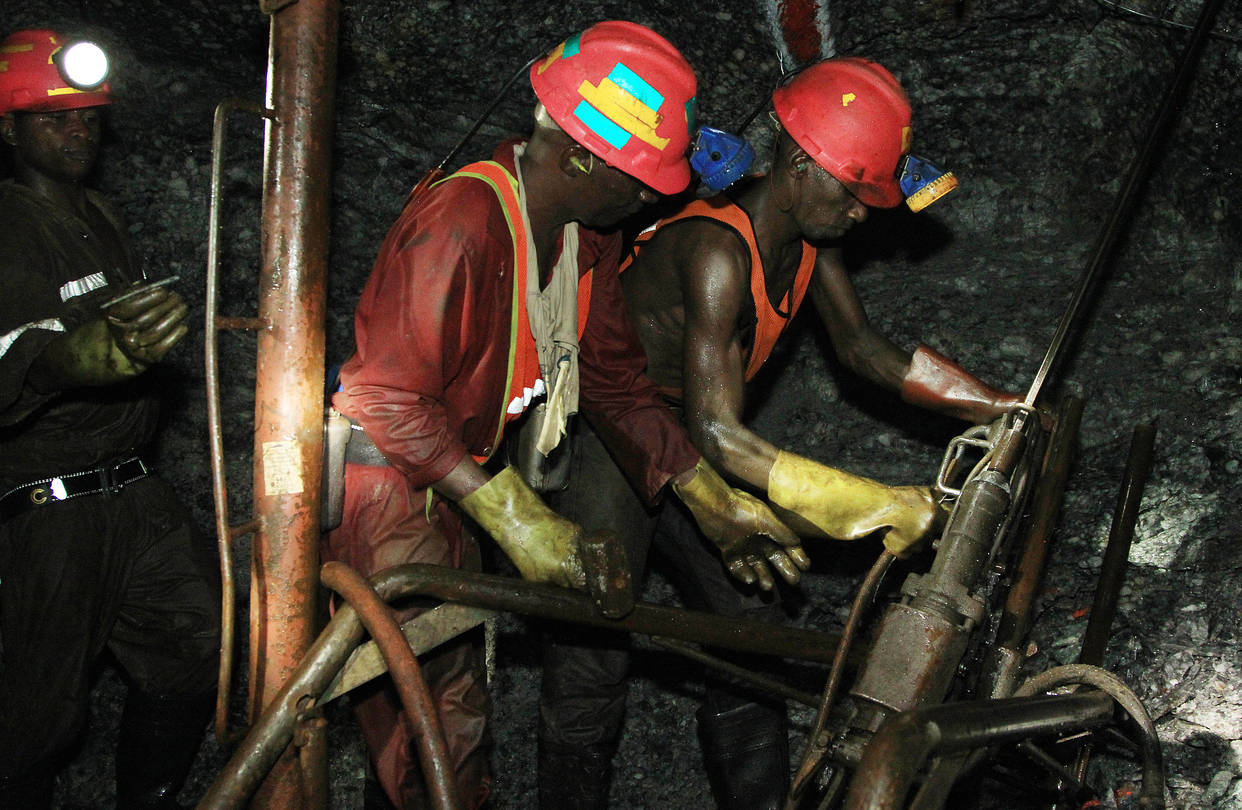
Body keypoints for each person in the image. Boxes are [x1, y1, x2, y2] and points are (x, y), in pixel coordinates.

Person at [324, 21, 809, 809]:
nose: (652, 197)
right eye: (639, 181)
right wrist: (518, 518)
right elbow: (385, 399)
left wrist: (711, 500)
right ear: (580, 157)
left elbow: (614, 381)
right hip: (387, 488)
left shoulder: (584, 239)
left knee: (439, 725)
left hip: (449, 480)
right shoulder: (464, 220)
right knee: (433, 734)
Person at [538, 58, 1023, 809]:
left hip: (690, 430)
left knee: (749, 622)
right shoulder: (717, 254)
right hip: (612, 430)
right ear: (799, 165)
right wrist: (869, 503)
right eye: (852, 194)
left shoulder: (806, 241)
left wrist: (996, 405)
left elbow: (862, 349)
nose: (861, 214)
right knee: (594, 643)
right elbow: (718, 433)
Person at [0, 29, 220, 810]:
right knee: (33, 724)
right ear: (9, 131)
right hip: (47, 507)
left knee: (201, 643)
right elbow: (23, 355)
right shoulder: (9, 228)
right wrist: (81, 358)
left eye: (88, 117)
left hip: (132, 491)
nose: (78, 132)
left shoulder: (98, 214)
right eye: (54, 119)